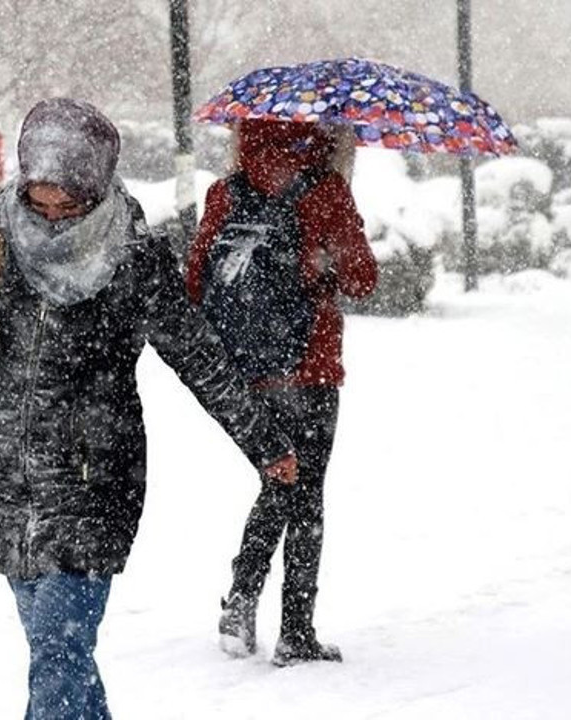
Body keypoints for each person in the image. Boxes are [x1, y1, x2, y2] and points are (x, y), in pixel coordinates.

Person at [0, 99, 297, 719]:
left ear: (95, 189)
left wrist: (264, 442)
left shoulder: (132, 254)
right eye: (40, 203)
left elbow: (198, 355)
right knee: (63, 658)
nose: (52, 220)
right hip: (9, 483)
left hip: (92, 481)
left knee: (59, 655)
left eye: (68, 206)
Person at [185, 119, 377, 666]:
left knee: (278, 479)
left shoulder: (225, 192)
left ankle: (241, 599)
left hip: (247, 371)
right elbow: (363, 278)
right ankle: (295, 630)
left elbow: (196, 281)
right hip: (309, 366)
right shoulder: (325, 189)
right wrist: (327, 264)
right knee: (304, 494)